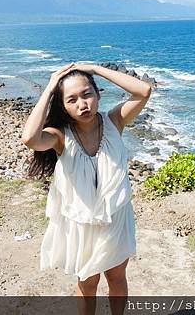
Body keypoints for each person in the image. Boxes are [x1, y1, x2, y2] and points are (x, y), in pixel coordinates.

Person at [21, 62, 152, 315]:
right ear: (63, 106)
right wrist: (50, 87)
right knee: (87, 283)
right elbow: (30, 139)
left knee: (116, 278)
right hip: (81, 225)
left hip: (116, 218)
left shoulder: (115, 121)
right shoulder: (59, 136)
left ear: (97, 94)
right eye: (72, 100)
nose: (82, 104)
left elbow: (143, 91)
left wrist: (96, 69)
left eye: (87, 94)